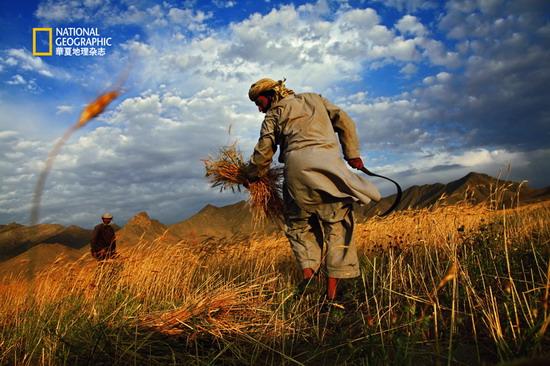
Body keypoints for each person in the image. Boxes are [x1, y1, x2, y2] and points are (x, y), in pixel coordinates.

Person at [245, 78, 381, 305]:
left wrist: (250, 175)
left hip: (296, 171)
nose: (259, 109)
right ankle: (331, 296)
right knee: (337, 225)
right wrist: (352, 153)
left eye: (259, 102)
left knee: (299, 226)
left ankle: (309, 282)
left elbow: (263, 153)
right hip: (329, 167)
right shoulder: (314, 99)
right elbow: (344, 120)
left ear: (271, 94)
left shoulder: (273, 116)